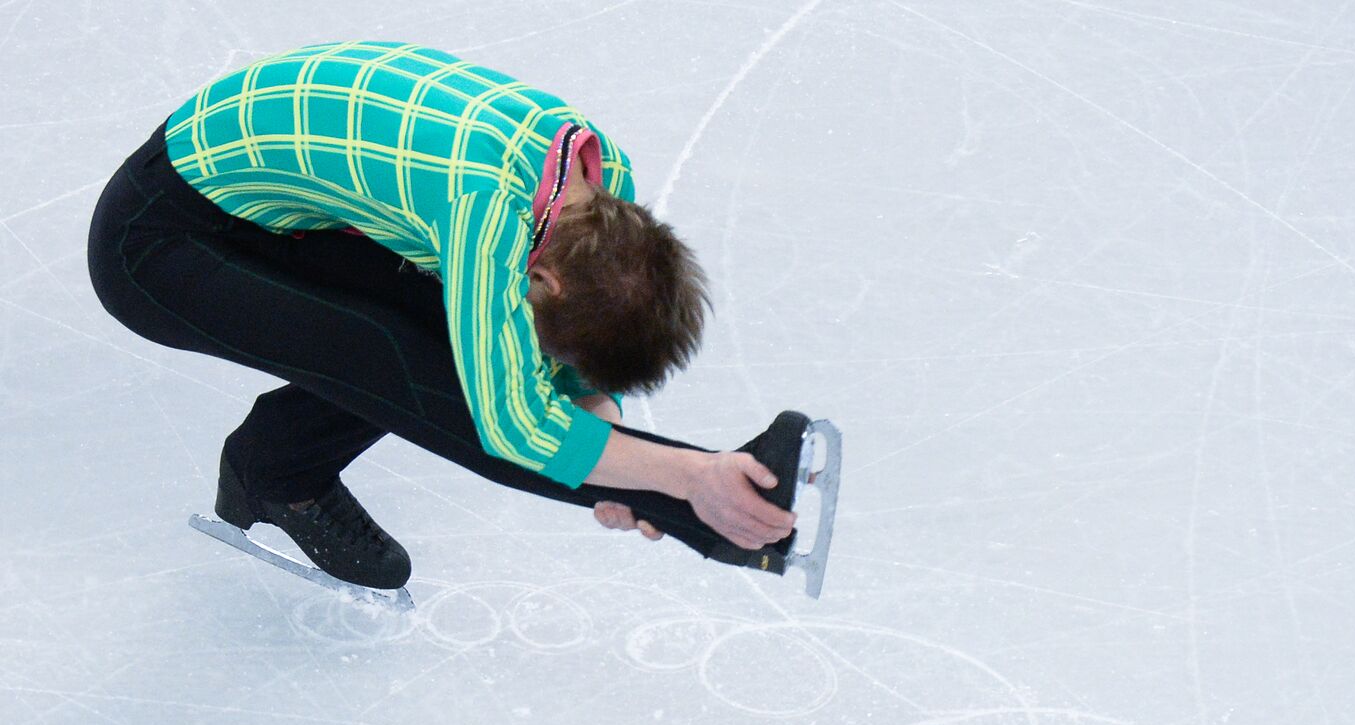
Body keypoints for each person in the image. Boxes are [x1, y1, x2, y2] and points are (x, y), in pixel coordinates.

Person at [87, 40, 816, 593]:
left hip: (273, 213)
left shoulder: (602, 184)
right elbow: (508, 422)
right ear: (542, 278)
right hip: (155, 243)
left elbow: (554, 377)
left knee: (462, 336)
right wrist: (677, 477)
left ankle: (274, 467)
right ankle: (712, 514)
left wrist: (617, 446)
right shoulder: (484, 203)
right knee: (403, 355)